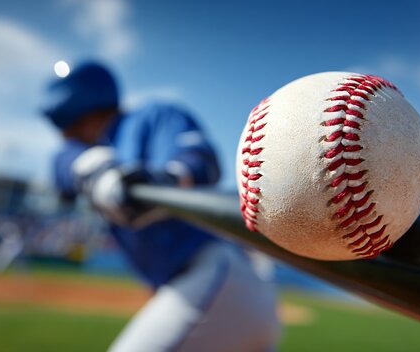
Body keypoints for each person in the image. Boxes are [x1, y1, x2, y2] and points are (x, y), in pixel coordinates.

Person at [42, 61, 280, 352]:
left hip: (216, 278)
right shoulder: (81, 152)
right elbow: (65, 167)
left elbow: (201, 160)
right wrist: (99, 173)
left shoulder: (152, 116)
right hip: (206, 292)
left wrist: (165, 179)